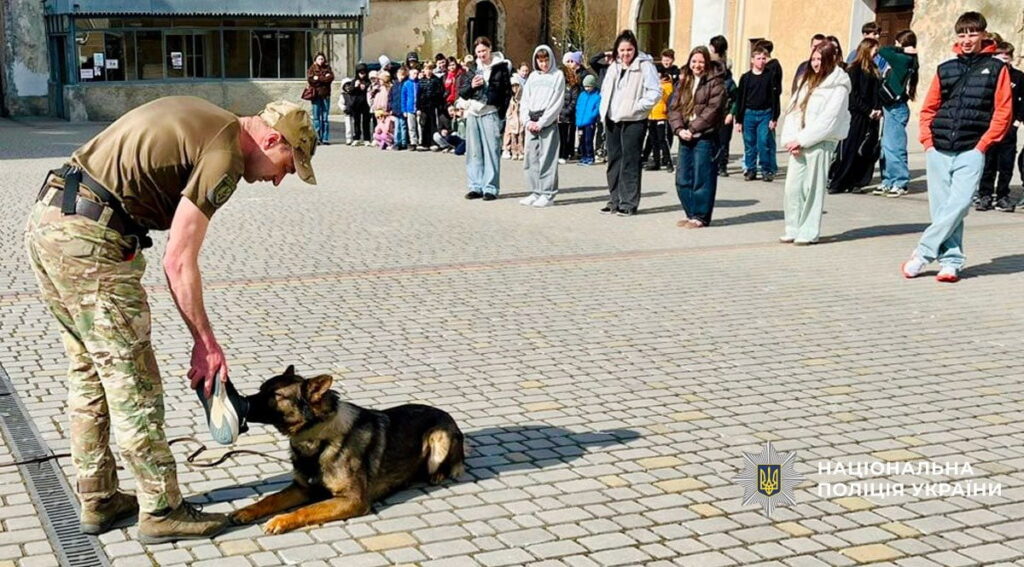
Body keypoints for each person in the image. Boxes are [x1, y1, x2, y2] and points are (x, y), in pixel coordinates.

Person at [24, 96, 317, 542]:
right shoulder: (226, 153)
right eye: (287, 164)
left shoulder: (208, 121)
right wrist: (206, 343)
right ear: (272, 138)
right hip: (90, 242)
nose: (280, 179)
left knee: (89, 373)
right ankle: (162, 509)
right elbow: (178, 261)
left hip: (52, 223)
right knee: (133, 383)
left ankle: (99, 497)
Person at [901, 11, 1013, 283]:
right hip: (939, 147)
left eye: (973, 33)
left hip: (971, 148)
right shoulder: (946, 68)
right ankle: (951, 262)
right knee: (942, 209)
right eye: (962, 34)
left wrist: (983, 144)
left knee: (960, 204)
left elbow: (1003, 111)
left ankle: (923, 252)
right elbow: (929, 108)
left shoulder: (997, 69)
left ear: (984, 35)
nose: (967, 39)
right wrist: (927, 141)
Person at [779, 43, 851, 245]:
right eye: (814, 59)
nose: (816, 63)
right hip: (798, 142)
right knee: (792, 188)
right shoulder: (805, 80)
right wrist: (791, 138)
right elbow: (793, 109)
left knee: (813, 188)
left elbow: (829, 120)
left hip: (820, 143)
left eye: (820, 59)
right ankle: (792, 227)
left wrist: (802, 140)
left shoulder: (839, 86)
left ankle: (809, 231)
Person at [599, 30, 661, 216]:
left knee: (630, 161)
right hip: (612, 119)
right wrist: (604, 110)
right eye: (622, 50)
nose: (626, 54)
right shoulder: (614, 67)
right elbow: (605, 89)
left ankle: (628, 203)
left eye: (629, 49)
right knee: (614, 161)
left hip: (633, 120)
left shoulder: (645, 66)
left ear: (635, 49)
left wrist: (638, 106)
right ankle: (614, 200)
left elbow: (655, 92)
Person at [668, 46, 727, 229]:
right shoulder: (683, 80)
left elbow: (713, 110)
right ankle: (690, 212)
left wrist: (693, 128)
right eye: (694, 61)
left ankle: (701, 216)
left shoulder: (715, 82)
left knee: (703, 177)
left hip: (704, 136)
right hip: (685, 135)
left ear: (707, 62)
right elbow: (674, 107)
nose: (697, 65)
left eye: (701, 61)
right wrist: (679, 129)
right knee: (682, 178)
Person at [458, 37, 513, 200]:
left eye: (484, 51)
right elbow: (463, 92)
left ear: (490, 49)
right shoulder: (473, 69)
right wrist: (472, 86)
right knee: (474, 152)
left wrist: (500, 113)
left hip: (490, 112)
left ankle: (490, 187)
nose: (481, 55)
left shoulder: (501, 67)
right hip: (474, 112)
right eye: (478, 52)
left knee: (491, 151)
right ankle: (475, 186)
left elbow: (507, 92)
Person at [828, 38, 882, 194]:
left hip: (871, 117)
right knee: (850, 150)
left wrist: (877, 109)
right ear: (867, 49)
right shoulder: (854, 70)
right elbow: (853, 96)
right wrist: (868, 110)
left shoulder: (874, 69)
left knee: (865, 150)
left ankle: (857, 181)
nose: (876, 54)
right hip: (856, 116)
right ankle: (838, 182)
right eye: (874, 50)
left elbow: (876, 92)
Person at [976, 41, 1024, 212]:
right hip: (990, 126)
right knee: (988, 163)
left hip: (1009, 128)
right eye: (1000, 58)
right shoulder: (987, 75)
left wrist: (1017, 122)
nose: (1004, 62)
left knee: (1006, 164)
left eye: (1007, 58)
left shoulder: (1018, 77)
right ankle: (985, 195)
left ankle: (1003, 195)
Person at [874, 29, 919, 197]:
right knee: (886, 146)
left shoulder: (902, 59)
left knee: (894, 147)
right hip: (891, 106)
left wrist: (901, 49)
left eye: (897, 42)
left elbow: (883, 51)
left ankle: (900, 182)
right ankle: (888, 180)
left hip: (896, 107)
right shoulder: (911, 59)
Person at [519, 45, 565, 207]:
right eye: (540, 61)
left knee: (548, 158)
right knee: (531, 158)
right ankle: (535, 191)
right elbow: (525, 100)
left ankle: (548, 193)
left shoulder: (557, 75)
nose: (543, 64)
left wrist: (543, 122)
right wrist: (526, 120)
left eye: (546, 60)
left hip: (547, 122)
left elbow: (557, 102)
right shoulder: (532, 77)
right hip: (531, 121)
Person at [735, 45, 780, 182]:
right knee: (749, 144)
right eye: (758, 58)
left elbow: (775, 97)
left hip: (765, 114)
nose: (761, 61)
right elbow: (740, 99)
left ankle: (766, 170)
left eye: (763, 58)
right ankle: (750, 169)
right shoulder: (746, 78)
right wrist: (738, 120)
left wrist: (774, 117)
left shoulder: (770, 76)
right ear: (752, 60)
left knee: (763, 143)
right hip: (749, 114)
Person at [709, 35, 737, 176]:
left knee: (723, 141)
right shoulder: (709, 65)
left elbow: (735, 97)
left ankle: (722, 165)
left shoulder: (728, 81)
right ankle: (714, 164)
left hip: (724, 112)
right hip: (711, 112)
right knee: (713, 141)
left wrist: (731, 113)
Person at [643, 70, 674, 172]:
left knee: (662, 139)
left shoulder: (667, 86)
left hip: (661, 115)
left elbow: (668, 99)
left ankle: (668, 161)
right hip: (652, 115)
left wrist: (661, 90)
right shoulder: (652, 86)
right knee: (653, 140)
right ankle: (656, 162)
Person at [306, 52, 335, 145]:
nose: (321, 61)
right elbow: (311, 81)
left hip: (326, 95)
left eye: (322, 59)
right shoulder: (312, 69)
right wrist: (323, 78)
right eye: (319, 59)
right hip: (316, 96)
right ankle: (317, 138)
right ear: (315, 60)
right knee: (316, 117)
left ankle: (325, 138)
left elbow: (330, 78)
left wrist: (318, 78)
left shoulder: (327, 68)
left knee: (325, 118)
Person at [558, 54, 581, 164]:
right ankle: (559, 153)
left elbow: (574, 100)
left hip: (568, 114)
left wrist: (566, 111)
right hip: (558, 114)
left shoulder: (573, 86)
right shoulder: (558, 86)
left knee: (567, 136)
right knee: (559, 136)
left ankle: (565, 154)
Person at [418, 62, 445, 150]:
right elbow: (418, 94)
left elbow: (440, 93)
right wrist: (418, 107)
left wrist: (438, 103)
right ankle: (424, 143)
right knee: (424, 123)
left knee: (433, 124)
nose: (428, 71)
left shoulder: (436, 80)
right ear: (424, 70)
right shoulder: (421, 81)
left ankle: (433, 143)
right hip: (423, 106)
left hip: (433, 105)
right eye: (426, 69)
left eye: (430, 69)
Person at [576, 74, 602, 166]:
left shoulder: (597, 96)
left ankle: (590, 157)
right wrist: (577, 117)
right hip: (580, 122)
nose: (587, 88)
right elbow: (578, 106)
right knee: (581, 140)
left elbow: (597, 109)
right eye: (585, 86)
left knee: (588, 140)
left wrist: (592, 117)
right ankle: (583, 157)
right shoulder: (582, 95)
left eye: (589, 86)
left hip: (589, 122)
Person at [350, 63, 372, 145]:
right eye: (360, 73)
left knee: (366, 122)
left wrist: (365, 87)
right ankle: (357, 138)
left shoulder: (368, 81)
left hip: (366, 104)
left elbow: (371, 88)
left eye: (364, 73)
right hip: (356, 104)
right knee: (356, 121)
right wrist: (355, 86)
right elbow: (350, 91)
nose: (362, 75)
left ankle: (367, 138)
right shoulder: (354, 81)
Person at [503, 81, 525, 160]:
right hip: (512, 121)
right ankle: (514, 152)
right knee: (513, 137)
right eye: (513, 86)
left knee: (521, 137)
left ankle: (521, 152)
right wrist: (510, 119)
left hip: (520, 119)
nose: (515, 88)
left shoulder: (522, 97)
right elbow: (508, 112)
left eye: (516, 86)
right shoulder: (510, 98)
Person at [401, 67, 421, 149]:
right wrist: (404, 110)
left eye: (417, 74)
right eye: (414, 73)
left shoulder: (419, 83)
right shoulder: (406, 84)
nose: (415, 75)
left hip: (418, 108)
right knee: (411, 127)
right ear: (410, 74)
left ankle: (421, 141)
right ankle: (413, 142)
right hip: (409, 108)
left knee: (419, 126)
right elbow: (403, 97)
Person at [390, 67, 409, 150]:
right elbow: (390, 97)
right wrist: (391, 107)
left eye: (403, 75)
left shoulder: (406, 84)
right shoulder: (394, 85)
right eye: (400, 75)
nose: (401, 77)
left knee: (403, 126)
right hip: (396, 109)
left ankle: (404, 142)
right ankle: (397, 142)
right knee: (397, 127)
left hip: (403, 109)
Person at [338, 77, 356, 145]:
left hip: (354, 112)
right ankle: (348, 138)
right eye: (346, 86)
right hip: (347, 112)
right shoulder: (343, 95)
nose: (348, 87)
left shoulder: (354, 94)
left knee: (355, 126)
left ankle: (355, 137)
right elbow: (340, 103)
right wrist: (344, 108)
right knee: (348, 126)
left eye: (349, 86)